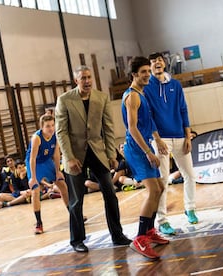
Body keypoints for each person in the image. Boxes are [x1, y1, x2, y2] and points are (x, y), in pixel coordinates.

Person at [55, 65, 131, 253]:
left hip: (98, 153)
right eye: (83, 78)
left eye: (89, 77)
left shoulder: (101, 97)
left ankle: (117, 235)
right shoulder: (64, 100)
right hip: (75, 156)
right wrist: (69, 157)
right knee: (76, 201)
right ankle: (77, 240)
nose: (87, 81)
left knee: (110, 194)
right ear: (76, 81)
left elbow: (108, 128)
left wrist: (111, 155)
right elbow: (61, 131)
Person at [144, 52, 198, 235]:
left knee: (190, 175)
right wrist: (156, 139)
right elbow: (148, 116)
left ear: (164, 63)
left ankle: (190, 209)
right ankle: (162, 220)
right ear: (150, 67)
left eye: (159, 60)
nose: (157, 63)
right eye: (153, 62)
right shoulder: (146, 87)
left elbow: (183, 109)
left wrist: (188, 136)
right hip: (161, 139)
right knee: (163, 181)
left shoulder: (175, 84)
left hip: (180, 136)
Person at [122, 56, 170, 260]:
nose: (147, 75)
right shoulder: (132, 96)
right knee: (153, 191)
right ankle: (140, 238)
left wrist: (157, 140)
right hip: (136, 149)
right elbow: (132, 128)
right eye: (143, 72)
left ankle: (149, 230)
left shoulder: (142, 93)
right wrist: (148, 152)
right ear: (134, 75)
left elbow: (148, 124)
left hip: (145, 145)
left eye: (148, 72)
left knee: (160, 188)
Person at [25, 114, 69, 234]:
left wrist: (58, 171)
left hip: (46, 161)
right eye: (48, 126)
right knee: (35, 191)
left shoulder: (56, 135)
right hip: (35, 164)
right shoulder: (37, 138)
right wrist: (33, 178)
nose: (51, 128)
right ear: (42, 127)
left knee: (62, 184)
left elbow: (56, 154)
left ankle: (73, 213)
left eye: (52, 125)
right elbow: (32, 159)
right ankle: (39, 223)